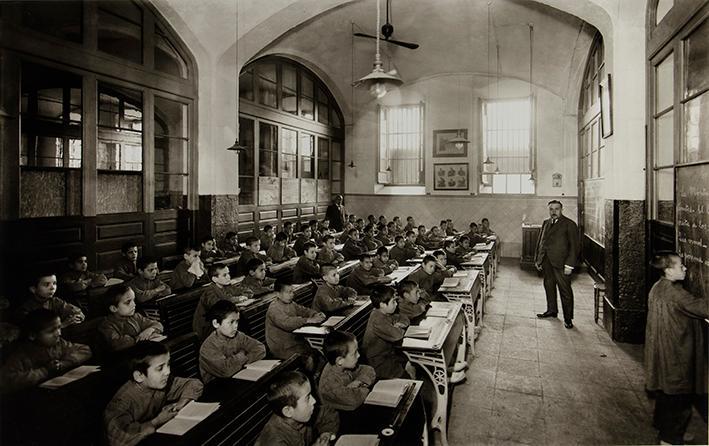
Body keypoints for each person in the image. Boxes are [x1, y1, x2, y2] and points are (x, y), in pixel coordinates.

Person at [644, 253, 708, 445]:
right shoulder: (677, 294)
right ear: (669, 270)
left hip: (661, 354)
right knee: (679, 399)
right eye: (681, 266)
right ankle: (670, 438)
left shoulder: (658, 287)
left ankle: (668, 431)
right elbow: (703, 308)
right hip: (677, 355)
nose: (685, 269)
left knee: (666, 394)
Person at [104, 341, 203, 446]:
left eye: (168, 364)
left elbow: (194, 384)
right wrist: (157, 421)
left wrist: (180, 404)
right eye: (160, 368)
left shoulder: (158, 383)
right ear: (139, 376)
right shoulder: (121, 402)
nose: (167, 372)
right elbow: (119, 439)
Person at [0, 308, 92, 393]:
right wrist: (45, 371)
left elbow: (85, 350)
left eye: (59, 328)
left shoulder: (59, 344)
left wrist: (63, 364)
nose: (59, 334)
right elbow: (6, 380)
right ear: (32, 335)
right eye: (51, 331)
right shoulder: (22, 354)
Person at [255, 370, 333, 446]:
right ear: (288, 411)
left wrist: (326, 433)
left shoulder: (300, 414)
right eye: (308, 398)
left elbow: (328, 413)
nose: (314, 401)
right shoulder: (274, 441)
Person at [318, 331, 376, 432]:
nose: (358, 355)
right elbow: (354, 400)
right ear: (340, 360)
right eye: (354, 353)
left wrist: (359, 381)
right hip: (341, 423)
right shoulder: (329, 383)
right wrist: (365, 387)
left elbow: (369, 370)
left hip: (354, 413)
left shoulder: (343, 366)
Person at [534, 200, 579, 328]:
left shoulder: (569, 224)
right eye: (551, 209)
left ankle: (568, 318)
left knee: (565, 290)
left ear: (561, 210)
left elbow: (575, 247)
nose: (553, 212)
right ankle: (552, 310)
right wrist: (538, 259)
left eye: (556, 209)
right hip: (547, 262)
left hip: (562, 263)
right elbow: (540, 242)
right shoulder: (546, 223)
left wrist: (570, 265)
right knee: (549, 286)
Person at [199, 300, 266, 384]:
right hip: (217, 387)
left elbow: (260, 348)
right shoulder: (208, 348)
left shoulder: (238, 336)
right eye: (231, 322)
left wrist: (239, 363)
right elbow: (226, 370)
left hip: (238, 378)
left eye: (237, 321)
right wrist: (242, 355)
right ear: (216, 323)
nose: (236, 326)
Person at [265, 280, 325, 361]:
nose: (292, 294)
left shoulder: (290, 303)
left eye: (292, 291)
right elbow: (287, 323)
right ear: (277, 294)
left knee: (318, 352)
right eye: (289, 292)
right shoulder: (274, 309)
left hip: (294, 341)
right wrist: (308, 320)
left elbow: (303, 310)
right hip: (282, 347)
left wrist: (315, 314)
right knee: (309, 358)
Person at [363, 285, 414, 379]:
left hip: (389, 355)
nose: (396, 304)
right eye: (393, 301)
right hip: (379, 362)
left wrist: (400, 325)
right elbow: (397, 336)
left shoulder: (385, 313)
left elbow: (404, 318)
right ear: (382, 304)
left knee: (414, 363)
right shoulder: (377, 319)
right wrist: (399, 329)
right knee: (407, 376)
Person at [193, 264, 254, 340]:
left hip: (225, 322)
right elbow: (219, 306)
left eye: (228, 273)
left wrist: (244, 296)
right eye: (224, 275)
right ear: (215, 279)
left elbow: (248, 291)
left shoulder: (227, 286)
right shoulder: (209, 292)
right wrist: (237, 299)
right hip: (210, 328)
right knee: (240, 323)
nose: (228, 277)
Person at [98, 285, 164, 351]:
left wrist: (150, 330)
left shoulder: (136, 317)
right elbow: (117, 344)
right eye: (128, 302)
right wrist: (140, 338)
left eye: (134, 300)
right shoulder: (106, 325)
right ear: (114, 308)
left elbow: (158, 325)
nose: (134, 304)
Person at [16, 272, 84, 329]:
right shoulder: (26, 308)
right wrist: (62, 325)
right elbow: (37, 331)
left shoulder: (55, 301)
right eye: (46, 284)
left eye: (54, 283)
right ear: (33, 289)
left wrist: (76, 317)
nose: (52, 288)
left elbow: (76, 311)